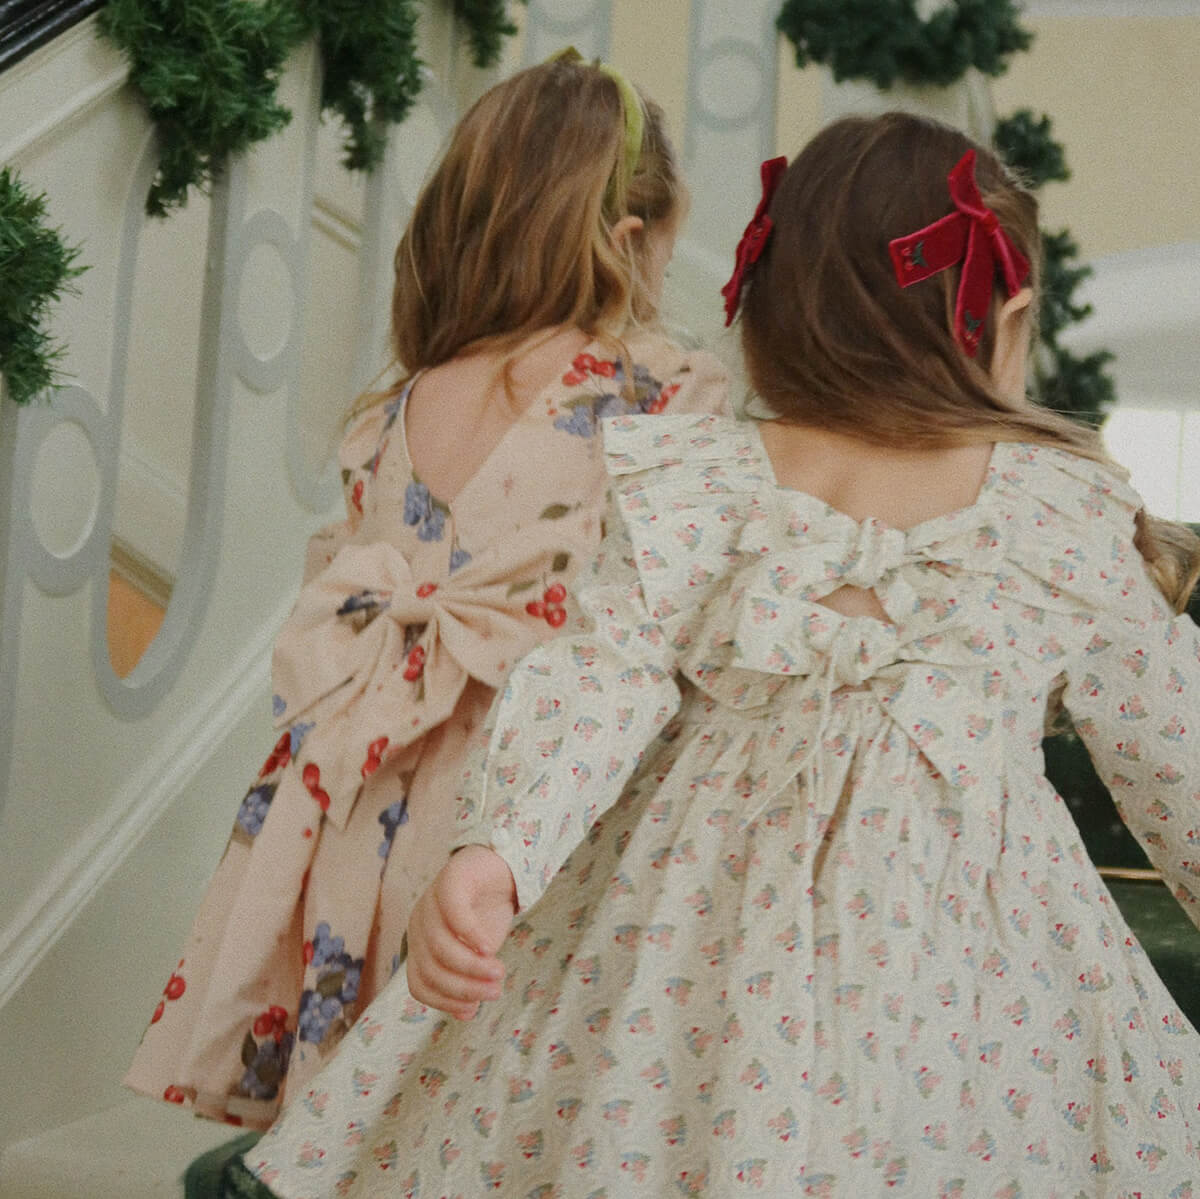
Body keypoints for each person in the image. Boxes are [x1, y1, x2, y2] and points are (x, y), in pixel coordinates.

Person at [242, 112, 1200, 1196]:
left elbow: (592, 683)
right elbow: (1177, 752)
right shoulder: (1053, 513)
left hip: (697, 954)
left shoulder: (705, 479)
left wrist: (496, 853)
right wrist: (493, 851)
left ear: (769, 301)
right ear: (1007, 319)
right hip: (953, 988)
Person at [123, 50, 730, 1138]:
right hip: (525, 800)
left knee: (369, 1110)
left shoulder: (402, 402)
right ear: (630, 239)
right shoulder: (657, 393)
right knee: (505, 1095)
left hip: (369, 801)